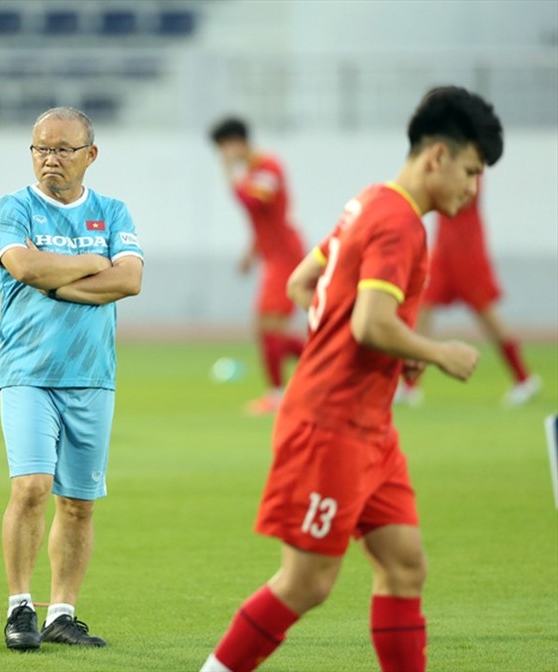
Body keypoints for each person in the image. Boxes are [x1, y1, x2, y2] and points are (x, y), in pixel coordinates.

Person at [200, 86, 503, 672]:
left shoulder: (369, 202)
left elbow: (301, 282)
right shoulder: (401, 226)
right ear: (437, 156)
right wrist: (435, 351)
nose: (472, 187)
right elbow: (369, 323)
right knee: (306, 583)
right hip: (330, 425)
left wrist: (396, 348)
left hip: (370, 427)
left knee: (405, 563)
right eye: (470, 171)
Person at [0, 107, 144, 651]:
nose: (49, 159)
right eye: (40, 149)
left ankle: (62, 612)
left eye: (62, 149)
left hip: (92, 376)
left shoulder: (112, 209)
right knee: (31, 486)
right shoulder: (13, 209)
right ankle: (19, 608)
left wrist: (59, 277)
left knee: (78, 502)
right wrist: (90, 263)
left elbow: (130, 279)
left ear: (90, 155)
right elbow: (25, 269)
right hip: (27, 371)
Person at [394, 178, 540, 406]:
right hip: (443, 254)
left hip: (467, 253)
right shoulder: (443, 157)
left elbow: (456, 197)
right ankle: (410, 386)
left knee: (489, 319)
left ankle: (523, 378)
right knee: (421, 315)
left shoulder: (468, 164)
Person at [210, 118, 306, 415]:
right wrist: (251, 250)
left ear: (235, 141)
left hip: (287, 257)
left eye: (223, 148)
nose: (223, 154)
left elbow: (254, 204)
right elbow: (264, 219)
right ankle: (323, 362)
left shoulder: (268, 168)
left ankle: (279, 393)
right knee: (267, 327)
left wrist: (228, 172)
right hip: (274, 255)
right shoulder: (256, 170)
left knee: (268, 323)